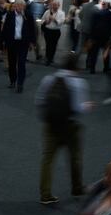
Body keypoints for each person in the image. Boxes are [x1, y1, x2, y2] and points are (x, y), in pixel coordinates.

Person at [35, 55, 90, 204]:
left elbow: (39, 100)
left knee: (47, 159)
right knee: (75, 158)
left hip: (51, 124)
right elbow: (79, 108)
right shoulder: (79, 83)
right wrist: (87, 105)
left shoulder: (49, 79)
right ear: (77, 67)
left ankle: (45, 194)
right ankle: (77, 187)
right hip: (70, 126)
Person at [2, 0, 36, 93]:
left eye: (22, 6)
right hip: (12, 42)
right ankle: (13, 81)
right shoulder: (10, 15)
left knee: (21, 63)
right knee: (12, 63)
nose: (21, 8)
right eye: (19, 6)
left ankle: (20, 83)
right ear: (15, 6)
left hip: (23, 43)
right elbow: (5, 28)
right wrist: (3, 41)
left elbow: (32, 29)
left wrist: (32, 42)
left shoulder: (28, 15)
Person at [41, 1, 65, 66]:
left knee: (54, 45)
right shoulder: (47, 12)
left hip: (56, 31)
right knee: (48, 45)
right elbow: (42, 20)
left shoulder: (61, 13)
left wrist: (54, 19)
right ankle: (48, 58)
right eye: (53, 5)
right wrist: (45, 21)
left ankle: (51, 57)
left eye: (55, 5)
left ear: (58, 6)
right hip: (48, 30)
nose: (54, 6)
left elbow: (61, 22)